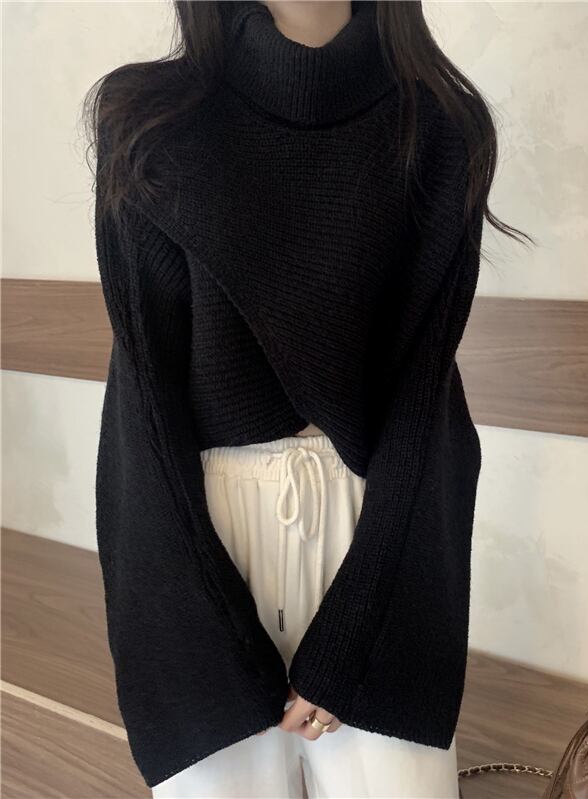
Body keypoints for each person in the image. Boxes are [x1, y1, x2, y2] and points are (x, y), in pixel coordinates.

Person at [84, 1, 532, 796]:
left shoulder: (441, 127)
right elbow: (144, 406)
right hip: (205, 536)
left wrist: (359, 631)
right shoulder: (148, 120)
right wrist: (216, 641)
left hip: (378, 535)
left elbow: (424, 400)